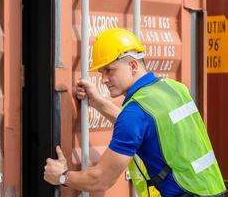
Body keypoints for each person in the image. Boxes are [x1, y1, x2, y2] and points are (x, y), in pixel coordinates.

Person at [43, 28, 226, 196]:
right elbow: (148, 128)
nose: (104, 79)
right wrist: (99, 103)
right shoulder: (174, 88)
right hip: (213, 190)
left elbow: (101, 179)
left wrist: (61, 176)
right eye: (101, 72)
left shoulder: (135, 113)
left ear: (132, 65)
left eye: (109, 70)